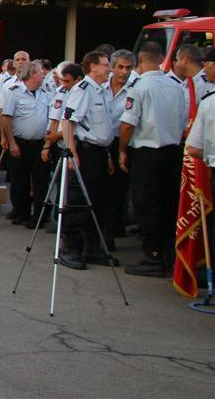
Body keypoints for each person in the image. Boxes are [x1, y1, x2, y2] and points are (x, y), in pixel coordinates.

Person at [119, 41, 187, 277]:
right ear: (161, 58)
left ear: (139, 59)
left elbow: (128, 124)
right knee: (168, 204)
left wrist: (122, 150)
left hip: (148, 154)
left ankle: (153, 257)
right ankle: (167, 254)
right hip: (173, 151)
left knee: (148, 205)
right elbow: (182, 119)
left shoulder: (139, 87)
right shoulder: (175, 86)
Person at [60, 51, 117, 270]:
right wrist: (72, 153)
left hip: (101, 152)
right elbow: (68, 122)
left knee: (99, 202)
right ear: (93, 66)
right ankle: (70, 249)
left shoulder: (102, 91)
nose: (109, 69)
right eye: (105, 65)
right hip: (86, 152)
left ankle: (92, 248)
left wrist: (109, 155)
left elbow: (105, 127)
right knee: (79, 202)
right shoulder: (83, 90)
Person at [1, 60, 50, 228]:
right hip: (21, 143)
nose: (43, 75)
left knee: (40, 181)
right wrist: (11, 142)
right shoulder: (14, 92)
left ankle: (39, 216)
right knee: (19, 180)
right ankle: (22, 213)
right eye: (40, 72)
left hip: (40, 144)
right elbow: (6, 118)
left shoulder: (45, 92)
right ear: (31, 75)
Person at [103, 49, 136, 243]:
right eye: (120, 67)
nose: (124, 72)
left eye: (128, 68)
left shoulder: (134, 90)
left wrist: (123, 150)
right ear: (112, 68)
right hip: (101, 143)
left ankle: (112, 232)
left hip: (122, 144)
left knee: (117, 191)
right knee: (101, 190)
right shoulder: (101, 87)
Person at [186, 47, 215, 202]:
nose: (203, 70)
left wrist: (210, 157)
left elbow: (194, 148)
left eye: (206, 65)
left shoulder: (208, 103)